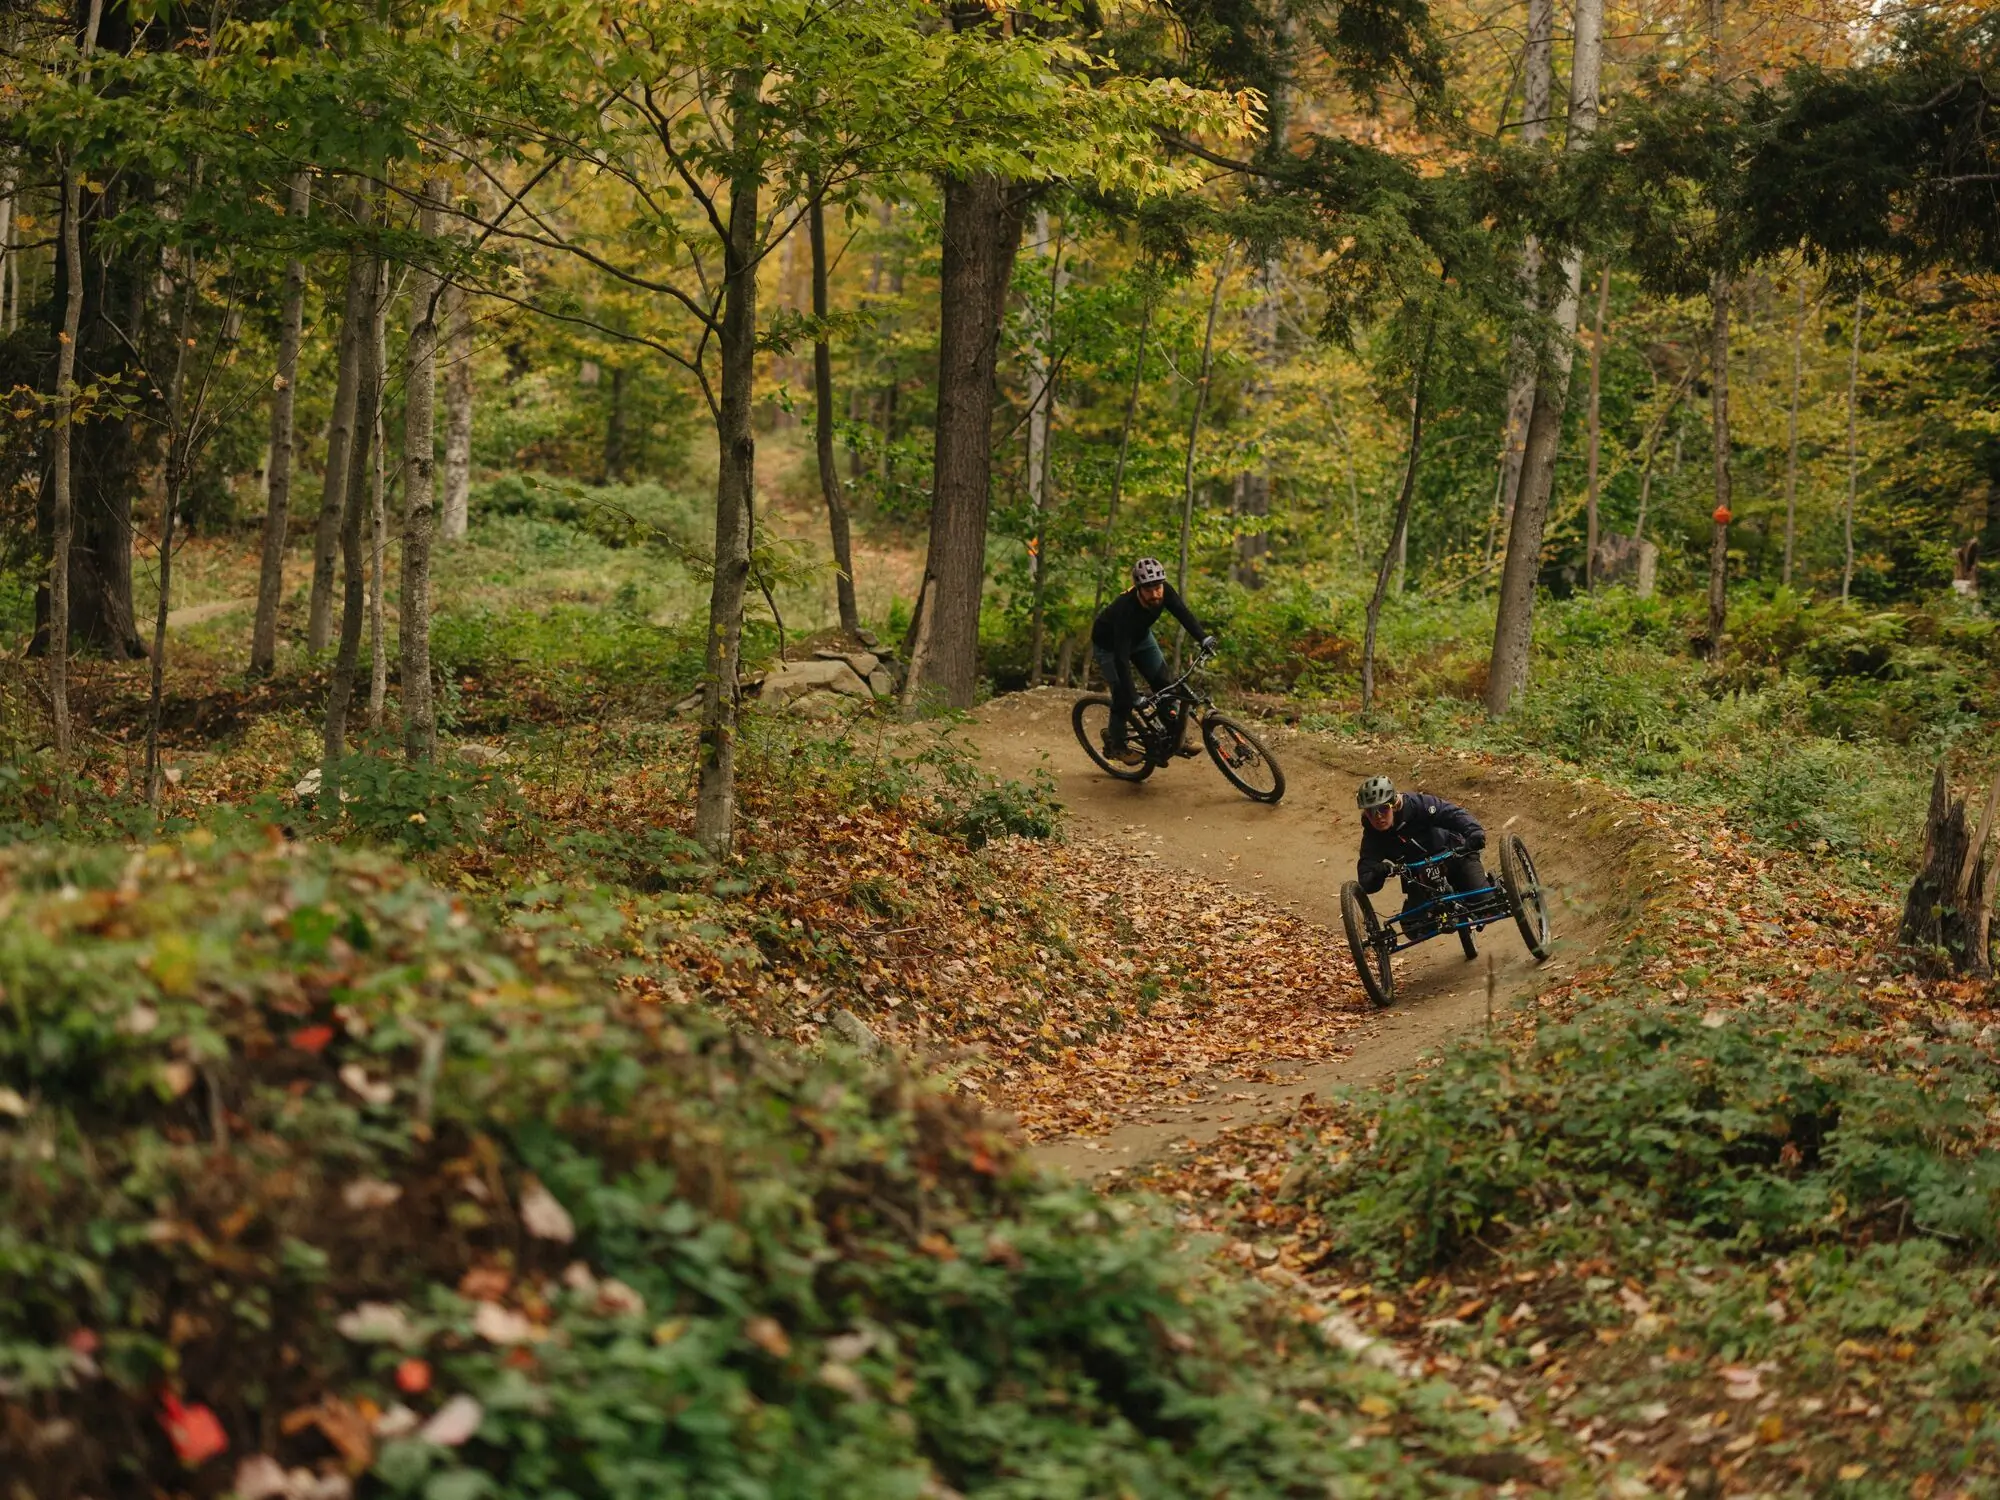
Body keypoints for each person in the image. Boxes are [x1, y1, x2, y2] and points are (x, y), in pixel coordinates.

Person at [1091, 558, 1217, 763]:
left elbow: (1183, 614)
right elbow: (1122, 659)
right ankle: (1117, 745)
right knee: (1123, 696)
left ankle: (1176, 737)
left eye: (1157, 588)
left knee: (1165, 685)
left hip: (1141, 638)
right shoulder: (1125, 609)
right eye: (1148, 590)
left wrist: (1203, 638)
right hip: (1110, 647)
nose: (1155, 594)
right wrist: (1133, 696)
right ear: (1138, 589)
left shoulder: (1165, 591)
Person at [1354, 776, 1487, 935]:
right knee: (1413, 928)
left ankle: (1484, 887)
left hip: (1454, 854)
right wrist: (1378, 873)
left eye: (1382, 808)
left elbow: (1451, 813)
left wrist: (1474, 832)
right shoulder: (1372, 834)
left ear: (1394, 804)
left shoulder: (1417, 805)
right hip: (1417, 875)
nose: (1378, 816)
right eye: (1370, 811)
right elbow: (1366, 879)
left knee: (1487, 904)